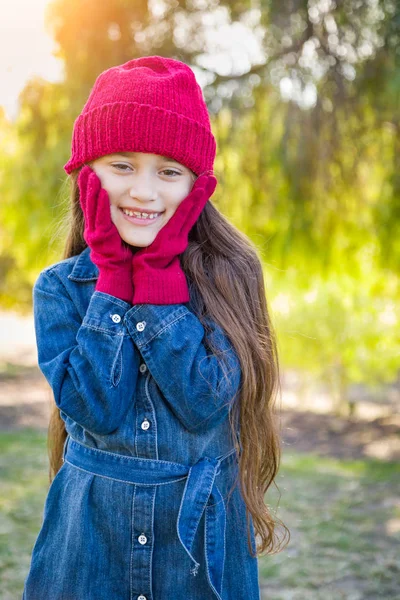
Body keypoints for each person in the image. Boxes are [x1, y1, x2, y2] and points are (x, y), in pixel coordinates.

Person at [22, 55, 287, 600]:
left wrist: (161, 283)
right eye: (122, 165)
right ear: (85, 174)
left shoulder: (229, 275)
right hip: (90, 544)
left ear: (198, 187)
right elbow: (94, 408)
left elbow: (203, 403)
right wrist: (115, 280)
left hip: (197, 549)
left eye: (169, 172)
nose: (144, 192)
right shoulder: (60, 290)